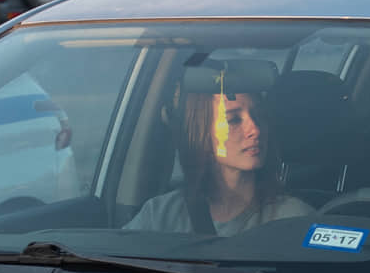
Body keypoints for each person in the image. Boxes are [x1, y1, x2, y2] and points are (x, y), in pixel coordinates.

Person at [125, 85, 312, 235]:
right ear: (201, 134)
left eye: (259, 116)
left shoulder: (294, 219)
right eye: (233, 120)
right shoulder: (160, 214)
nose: (255, 129)